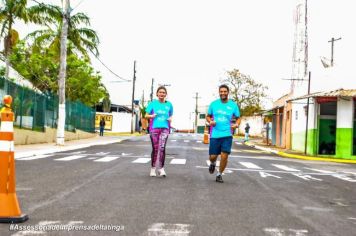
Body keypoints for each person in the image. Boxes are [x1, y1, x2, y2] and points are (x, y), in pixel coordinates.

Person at [206, 84, 240, 183]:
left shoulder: (233, 105)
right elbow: (208, 116)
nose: (223, 93)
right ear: (219, 92)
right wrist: (210, 121)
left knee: (224, 155)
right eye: (221, 91)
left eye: (225, 91)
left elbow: (238, 118)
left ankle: (219, 174)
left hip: (227, 134)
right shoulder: (213, 104)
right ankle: (212, 163)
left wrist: (236, 124)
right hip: (215, 134)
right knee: (213, 156)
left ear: (228, 92)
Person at [145, 86, 173, 177]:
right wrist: (152, 116)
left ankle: (161, 169)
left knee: (162, 148)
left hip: (165, 128)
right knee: (156, 148)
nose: (162, 94)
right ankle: (153, 169)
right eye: (160, 92)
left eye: (163, 92)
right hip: (154, 129)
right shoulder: (152, 104)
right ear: (157, 94)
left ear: (166, 94)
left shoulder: (169, 105)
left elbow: (171, 115)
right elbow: (146, 115)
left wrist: (170, 118)